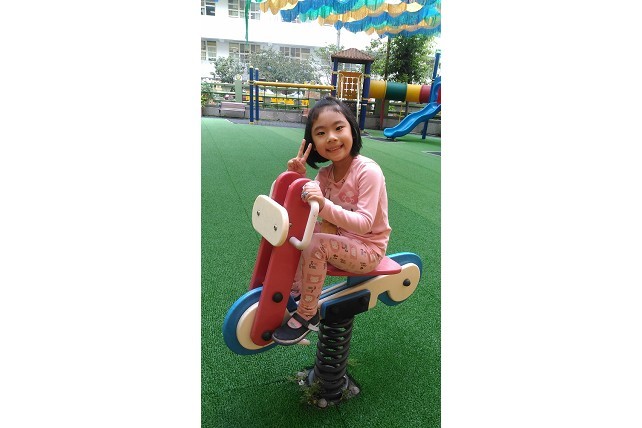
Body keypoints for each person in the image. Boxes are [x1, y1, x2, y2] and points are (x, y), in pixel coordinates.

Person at [272, 96, 391, 345]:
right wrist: (296, 178)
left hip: (367, 249)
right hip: (339, 238)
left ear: (352, 129)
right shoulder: (325, 174)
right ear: (313, 143)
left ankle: (308, 314)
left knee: (315, 244)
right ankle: (295, 292)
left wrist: (325, 206)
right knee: (295, 231)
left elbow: (364, 223)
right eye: (321, 133)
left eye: (338, 128)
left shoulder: (368, 171)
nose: (332, 138)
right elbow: (305, 207)